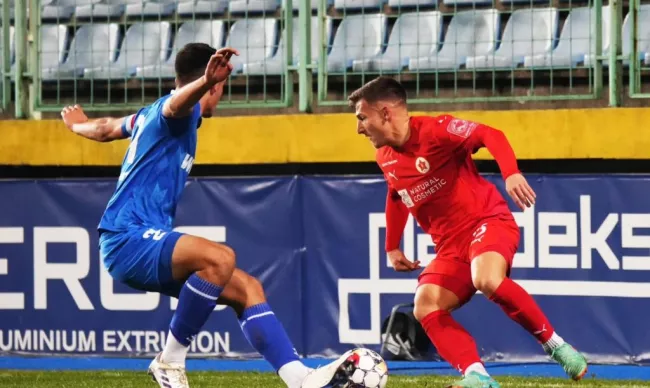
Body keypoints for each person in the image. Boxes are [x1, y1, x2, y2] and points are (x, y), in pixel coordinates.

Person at [60, 43, 348, 388]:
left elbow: (106, 128)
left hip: (135, 240)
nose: (220, 97)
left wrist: (77, 126)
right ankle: (170, 360)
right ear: (210, 84)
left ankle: (299, 378)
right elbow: (176, 106)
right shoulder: (182, 112)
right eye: (219, 88)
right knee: (219, 258)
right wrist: (202, 85)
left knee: (247, 289)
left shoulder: (145, 115)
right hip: (128, 238)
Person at [348, 76, 588, 388]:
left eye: (361, 118)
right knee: (425, 305)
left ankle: (556, 346)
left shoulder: (436, 131)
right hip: (450, 246)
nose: (359, 128)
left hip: (487, 222)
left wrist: (511, 173)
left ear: (384, 113)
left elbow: (491, 134)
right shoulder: (385, 157)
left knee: (486, 278)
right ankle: (477, 375)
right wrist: (392, 246)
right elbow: (396, 195)